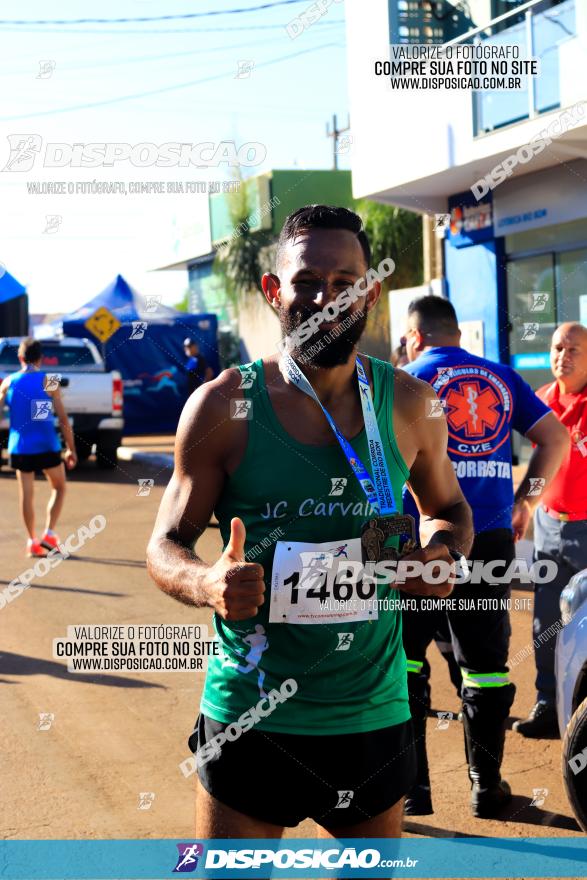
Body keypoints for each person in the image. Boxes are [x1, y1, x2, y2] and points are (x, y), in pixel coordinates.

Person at [147, 205, 474, 841]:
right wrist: (206, 582)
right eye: (306, 282)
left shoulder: (409, 402)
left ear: (370, 294)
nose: (327, 298)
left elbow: (450, 510)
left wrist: (444, 556)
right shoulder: (223, 406)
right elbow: (165, 544)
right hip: (251, 715)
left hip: (373, 712)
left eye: (345, 282)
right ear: (275, 291)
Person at [400, 295, 569, 818]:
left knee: (404, 663)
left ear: (416, 336)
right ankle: (486, 787)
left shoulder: (399, 381)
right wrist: (527, 500)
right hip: (489, 536)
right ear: (455, 334)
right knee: (486, 667)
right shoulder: (500, 376)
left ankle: (412, 789)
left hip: (415, 538)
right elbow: (555, 437)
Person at [514, 322, 587, 738]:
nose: (564, 355)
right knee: (546, 621)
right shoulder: (541, 401)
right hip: (549, 526)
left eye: (575, 349)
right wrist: (526, 504)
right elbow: (539, 468)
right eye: (558, 347)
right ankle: (547, 704)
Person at [0, 337, 77, 557]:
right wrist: (71, 448)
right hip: (47, 444)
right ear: (41, 358)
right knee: (59, 487)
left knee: (26, 495)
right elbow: (62, 418)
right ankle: (49, 534)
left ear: (20, 357)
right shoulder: (49, 380)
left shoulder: (8, 382)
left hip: (20, 447)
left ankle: (32, 541)